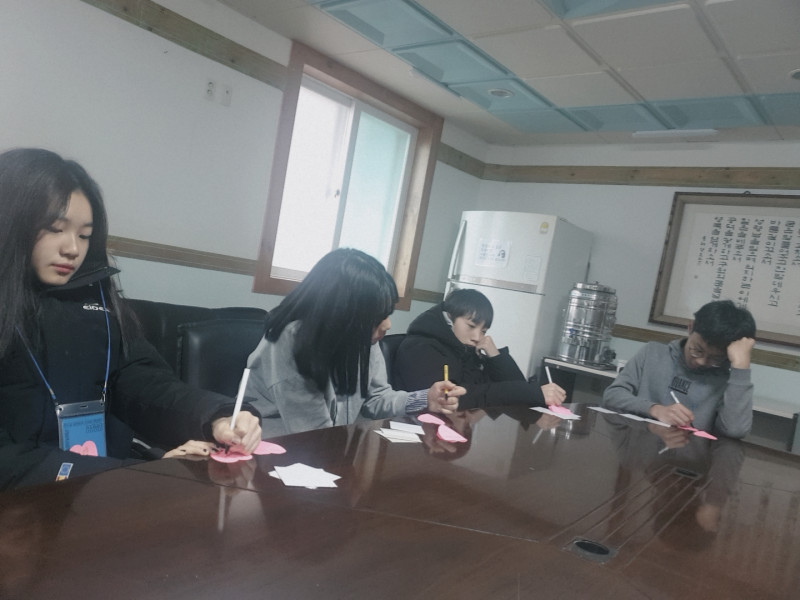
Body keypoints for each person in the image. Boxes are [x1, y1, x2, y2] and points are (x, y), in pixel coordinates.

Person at [0, 148, 261, 490]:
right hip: (29, 503)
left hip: (101, 490)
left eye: (84, 235)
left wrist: (215, 415)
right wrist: (128, 474)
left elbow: (141, 382)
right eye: (55, 229)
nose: (73, 249)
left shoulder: (93, 299)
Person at [243, 248, 464, 438]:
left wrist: (425, 399)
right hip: (273, 450)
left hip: (328, 445)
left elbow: (376, 399)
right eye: (377, 318)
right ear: (342, 315)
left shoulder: (359, 336)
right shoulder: (291, 343)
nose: (387, 325)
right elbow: (312, 432)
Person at [602, 299, 756, 438]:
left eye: (715, 358)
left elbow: (735, 431)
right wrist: (655, 409)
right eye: (697, 350)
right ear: (690, 327)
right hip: (641, 447)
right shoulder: (652, 353)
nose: (701, 361)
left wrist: (741, 368)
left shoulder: (728, 383)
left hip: (691, 456)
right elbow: (612, 395)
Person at [392, 288, 566, 409]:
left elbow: (512, 386)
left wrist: (495, 356)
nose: (477, 337)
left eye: (483, 331)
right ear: (448, 319)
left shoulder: (464, 349)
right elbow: (455, 398)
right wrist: (528, 392)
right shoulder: (420, 347)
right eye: (471, 326)